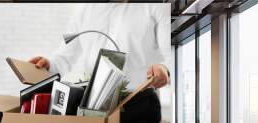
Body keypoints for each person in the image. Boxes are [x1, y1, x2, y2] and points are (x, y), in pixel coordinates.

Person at [29, 3, 170, 90]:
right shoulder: (85, 10)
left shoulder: (156, 6)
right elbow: (64, 58)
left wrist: (164, 69)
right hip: (93, 104)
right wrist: (48, 65)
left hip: (139, 104)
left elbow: (168, 57)